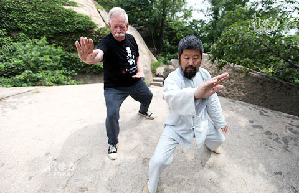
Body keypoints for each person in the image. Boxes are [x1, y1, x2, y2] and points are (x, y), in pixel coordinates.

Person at [143, 35, 229, 193]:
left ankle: (211, 145)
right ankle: (150, 186)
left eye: (196, 57)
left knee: (220, 138)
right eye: (187, 57)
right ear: (179, 57)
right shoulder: (172, 79)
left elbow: (212, 101)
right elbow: (172, 98)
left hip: (201, 123)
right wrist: (196, 93)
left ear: (201, 58)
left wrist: (220, 122)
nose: (191, 62)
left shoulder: (204, 75)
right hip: (177, 126)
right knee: (157, 161)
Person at [75, 7, 154, 160]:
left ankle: (143, 111)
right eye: (115, 26)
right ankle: (112, 143)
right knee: (111, 114)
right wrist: (89, 58)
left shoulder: (131, 39)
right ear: (110, 26)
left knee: (148, 96)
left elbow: (137, 57)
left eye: (122, 26)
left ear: (127, 25)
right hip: (114, 87)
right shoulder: (106, 42)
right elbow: (98, 54)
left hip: (134, 81)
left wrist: (141, 71)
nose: (119, 30)